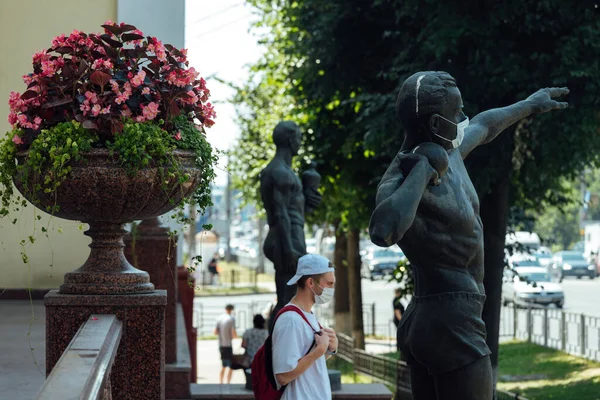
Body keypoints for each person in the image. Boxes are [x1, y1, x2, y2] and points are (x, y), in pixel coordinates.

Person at [369, 71, 568, 400]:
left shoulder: (450, 153)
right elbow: (383, 229)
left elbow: (484, 126)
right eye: (456, 112)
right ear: (435, 124)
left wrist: (530, 105)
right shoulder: (403, 175)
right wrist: (422, 171)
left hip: (444, 317)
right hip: (449, 322)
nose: (463, 117)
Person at [272, 254, 338, 400]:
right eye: (329, 283)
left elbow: (307, 364)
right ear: (310, 282)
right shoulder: (290, 320)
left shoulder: (307, 315)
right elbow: (283, 375)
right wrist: (319, 350)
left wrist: (329, 350)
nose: (332, 289)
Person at [214, 304, 237, 384]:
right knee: (231, 366)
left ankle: (221, 382)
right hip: (228, 345)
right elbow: (233, 332)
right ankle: (228, 382)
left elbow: (215, 332)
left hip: (221, 345)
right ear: (232, 310)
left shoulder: (219, 318)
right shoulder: (232, 318)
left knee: (223, 366)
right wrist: (236, 338)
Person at [392, 288, 405, 353]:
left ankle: (399, 347)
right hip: (398, 321)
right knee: (400, 334)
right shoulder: (396, 300)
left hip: (398, 320)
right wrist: (402, 321)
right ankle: (399, 348)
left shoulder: (397, 300)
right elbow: (397, 312)